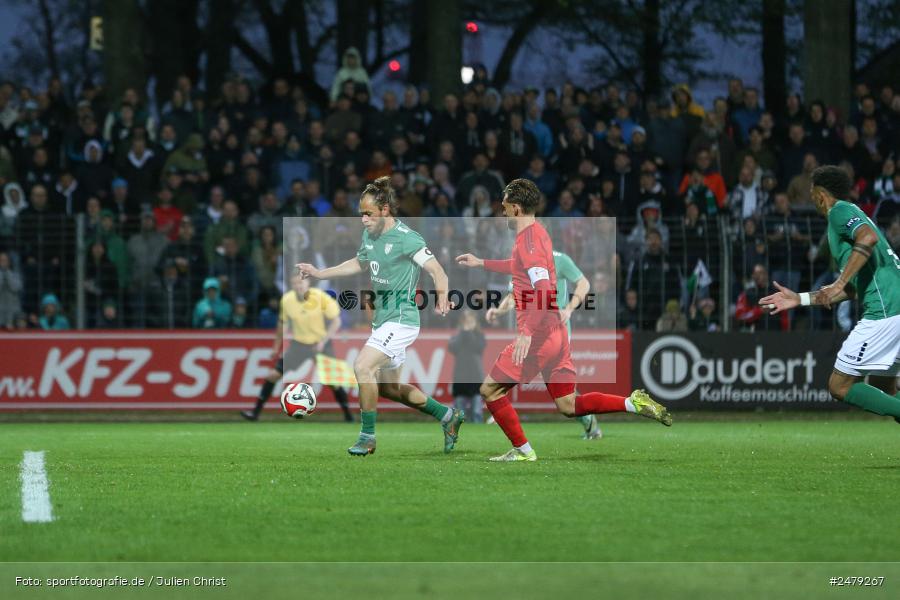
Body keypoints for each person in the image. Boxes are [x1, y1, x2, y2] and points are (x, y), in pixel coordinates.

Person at [456, 179, 672, 462]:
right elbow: (518, 267)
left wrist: (527, 334)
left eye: (506, 206)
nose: (503, 212)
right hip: (557, 334)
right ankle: (632, 403)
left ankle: (523, 451)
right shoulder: (539, 235)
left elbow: (544, 290)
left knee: (489, 389)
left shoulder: (528, 241)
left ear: (517, 208)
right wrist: (482, 263)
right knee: (568, 404)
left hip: (540, 335)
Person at [296, 176, 463, 456]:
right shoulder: (369, 234)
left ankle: (367, 437)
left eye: (368, 213)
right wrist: (319, 273)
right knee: (390, 388)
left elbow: (437, 270)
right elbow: (359, 262)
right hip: (383, 321)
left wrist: (443, 295)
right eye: (361, 213)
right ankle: (448, 416)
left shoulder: (407, 238)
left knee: (362, 367)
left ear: (385, 209)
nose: (363, 219)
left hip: (402, 319)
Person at [760, 165, 900, 420]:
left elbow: (868, 238)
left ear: (821, 195)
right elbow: (855, 288)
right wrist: (800, 298)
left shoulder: (839, 211)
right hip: (894, 305)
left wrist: (838, 282)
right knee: (885, 390)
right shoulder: (852, 216)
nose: (810, 198)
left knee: (839, 386)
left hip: (886, 310)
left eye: (812, 192)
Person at [486, 249, 602, 440]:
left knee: (559, 391)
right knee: (560, 392)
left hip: (555, 334)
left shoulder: (560, 260)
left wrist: (570, 308)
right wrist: (497, 312)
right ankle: (498, 404)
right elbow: (513, 296)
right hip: (531, 333)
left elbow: (583, 283)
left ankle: (498, 404)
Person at [241, 274, 354, 422]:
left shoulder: (321, 297)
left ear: (308, 283)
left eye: (301, 283)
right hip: (299, 344)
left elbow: (336, 322)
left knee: (333, 382)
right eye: (295, 283)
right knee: (273, 375)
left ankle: (348, 416)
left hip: (321, 344)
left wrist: (323, 341)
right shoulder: (287, 300)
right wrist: (276, 347)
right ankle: (255, 413)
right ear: (291, 285)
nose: (298, 286)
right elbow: (282, 324)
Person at [448, 310, 487, 424]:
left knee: (477, 412)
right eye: (466, 321)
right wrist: (463, 333)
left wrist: (469, 333)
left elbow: (478, 347)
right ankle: (459, 433)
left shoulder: (480, 336)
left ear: (475, 323)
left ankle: (478, 434)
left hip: (476, 377)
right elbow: (452, 348)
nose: (468, 324)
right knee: (459, 411)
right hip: (460, 377)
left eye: (471, 321)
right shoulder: (457, 336)